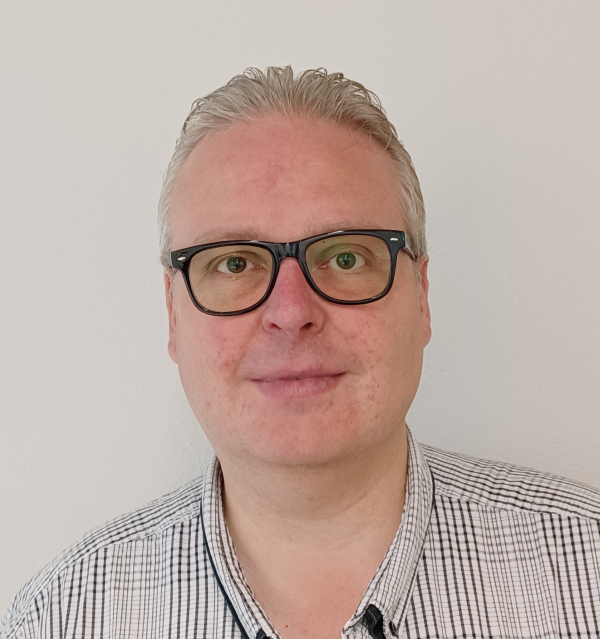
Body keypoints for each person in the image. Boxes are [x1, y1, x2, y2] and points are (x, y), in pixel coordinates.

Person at [2, 66, 599, 639]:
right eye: (233, 264)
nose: (290, 312)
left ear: (420, 295)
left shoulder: (587, 570)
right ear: (173, 314)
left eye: (346, 257)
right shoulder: (57, 620)